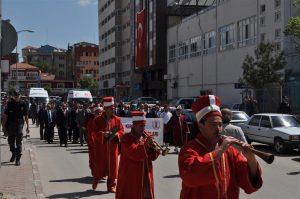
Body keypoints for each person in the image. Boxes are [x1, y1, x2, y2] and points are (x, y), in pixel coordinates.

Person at [178, 95, 263, 199]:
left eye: (220, 124)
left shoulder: (231, 151)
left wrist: (251, 159)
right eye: (213, 124)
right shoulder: (189, 149)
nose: (218, 129)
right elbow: (190, 177)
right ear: (200, 125)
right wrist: (221, 149)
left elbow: (248, 185)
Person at [116, 111, 160, 199]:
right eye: (141, 126)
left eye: (144, 126)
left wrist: (154, 149)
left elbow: (153, 157)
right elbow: (134, 153)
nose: (143, 128)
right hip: (131, 176)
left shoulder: (145, 137)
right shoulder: (126, 138)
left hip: (146, 174)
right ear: (134, 125)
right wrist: (146, 145)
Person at [92, 96, 124, 192]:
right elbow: (94, 133)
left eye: (114, 107)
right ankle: (96, 179)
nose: (113, 109)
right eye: (111, 108)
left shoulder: (117, 119)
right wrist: (103, 134)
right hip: (101, 147)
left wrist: (117, 134)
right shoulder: (97, 120)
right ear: (105, 109)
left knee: (113, 167)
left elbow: (122, 130)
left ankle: (111, 186)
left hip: (113, 147)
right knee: (100, 166)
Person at [2, 91, 30, 166]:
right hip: (11, 124)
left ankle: (18, 159)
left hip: (19, 124)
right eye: (15, 95)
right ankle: (14, 153)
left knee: (18, 142)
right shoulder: (10, 103)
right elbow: (5, 115)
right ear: (13, 96)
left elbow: (26, 116)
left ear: (20, 96)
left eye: (18, 95)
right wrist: (3, 125)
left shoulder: (23, 104)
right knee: (10, 142)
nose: (16, 96)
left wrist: (28, 126)